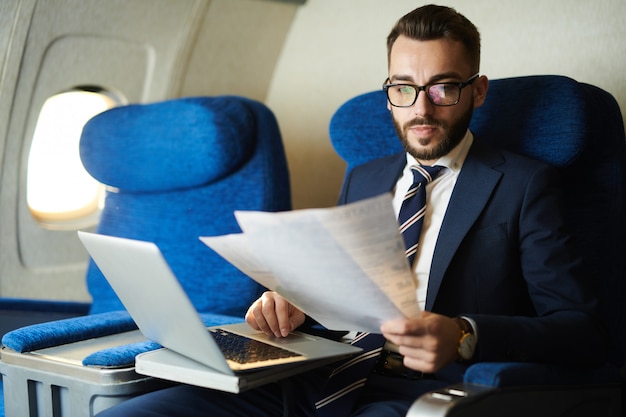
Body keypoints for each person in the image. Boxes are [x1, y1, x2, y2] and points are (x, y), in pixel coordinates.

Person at [97, 4, 607, 417]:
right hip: (312, 373)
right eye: (403, 88)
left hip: (419, 393)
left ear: (477, 90)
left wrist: (465, 335)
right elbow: (340, 295)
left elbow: (582, 329)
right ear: (389, 93)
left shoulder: (523, 184)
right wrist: (291, 302)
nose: (421, 109)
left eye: (443, 87)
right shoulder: (365, 176)